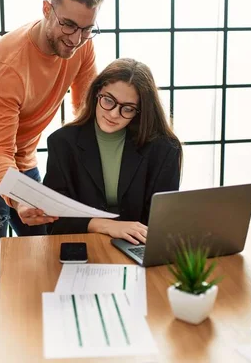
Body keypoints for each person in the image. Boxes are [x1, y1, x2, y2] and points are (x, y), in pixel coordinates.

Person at [0, 0, 105, 275]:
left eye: (87, 29)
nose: (76, 39)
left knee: (45, 252)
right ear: (47, 9)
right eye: (68, 25)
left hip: (23, 158)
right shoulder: (6, 65)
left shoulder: (83, 45)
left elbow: (85, 115)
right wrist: (18, 200)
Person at [43, 58, 182, 245]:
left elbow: (162, 223)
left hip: (138, 248)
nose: (114, 114)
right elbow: (55, 221)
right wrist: (105, 226)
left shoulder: (165, 149)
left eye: (128, 108)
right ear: (96, 93)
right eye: (108, 100)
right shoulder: (62, 142)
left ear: (141, 111)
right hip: (80, 247)